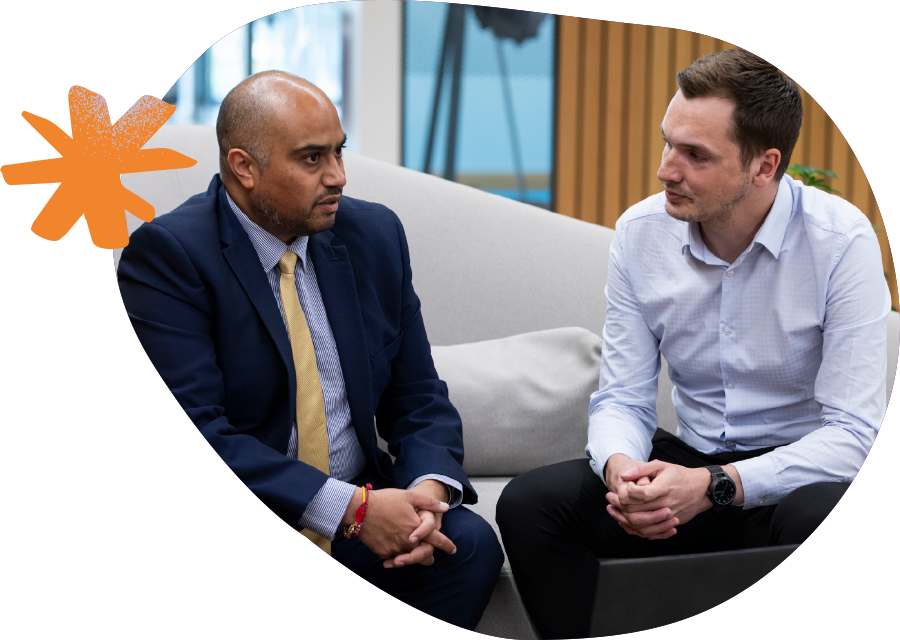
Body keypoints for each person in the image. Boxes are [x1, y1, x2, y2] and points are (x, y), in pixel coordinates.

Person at [497, 48, 889, 638]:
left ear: (764, 166)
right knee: (532, 504)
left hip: (794, 479)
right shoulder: (640, 234)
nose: (666, 170)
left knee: (824, 511)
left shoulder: (840, 242)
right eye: (668, 144)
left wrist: (716, 486)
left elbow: (855, 435)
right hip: (690, 463)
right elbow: (622, 397)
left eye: (696, 155)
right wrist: (623, 473)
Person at [118, 71, 503, 629]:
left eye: (339, 151)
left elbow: (418, 395)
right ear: (244, 167)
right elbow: (200, 428)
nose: (338, 176)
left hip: (360, 505)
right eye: (312, 158)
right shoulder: (170, 256)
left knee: (466, 545)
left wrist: (426, 494)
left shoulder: (373, 235)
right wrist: (350, 509)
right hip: (270, 500)